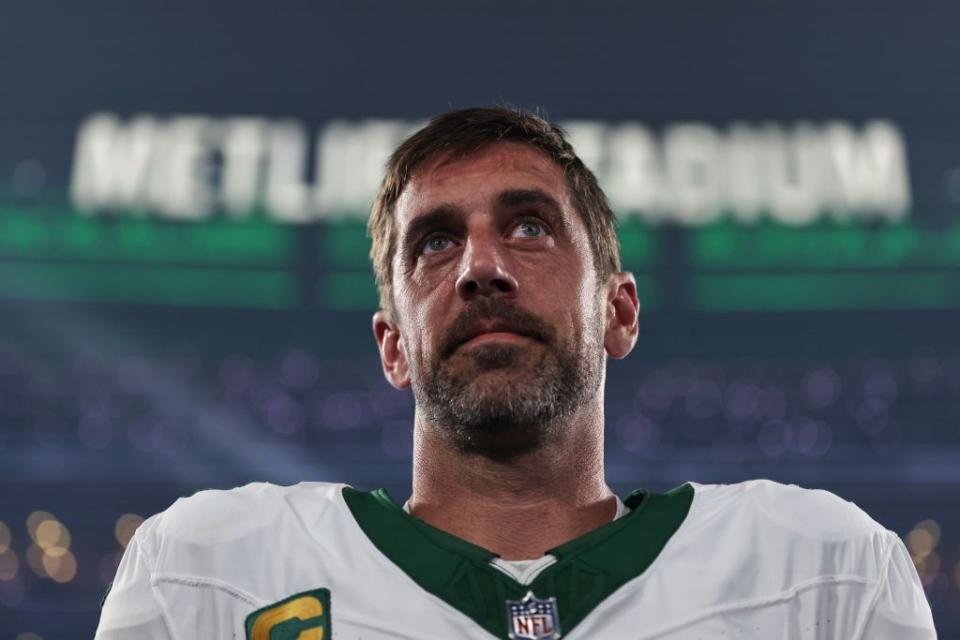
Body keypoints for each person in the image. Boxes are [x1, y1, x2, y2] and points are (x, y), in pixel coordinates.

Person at [95, 107, 937, 639]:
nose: (481, 267)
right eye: (434, 242)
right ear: (393, 346)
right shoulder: (206, 574)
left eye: (530, 228)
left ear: (619, 310)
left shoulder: (823, 574)